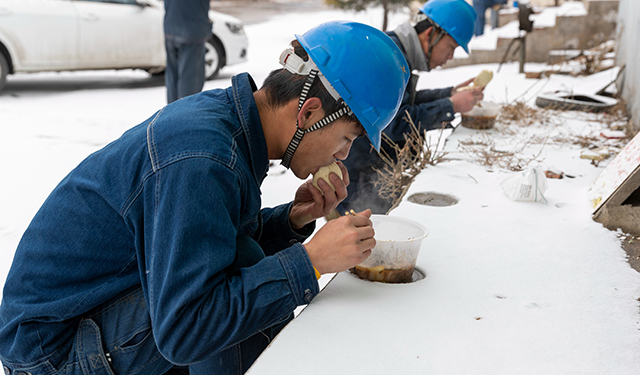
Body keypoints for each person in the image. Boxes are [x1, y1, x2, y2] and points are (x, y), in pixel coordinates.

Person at [0, 21, 409, 375]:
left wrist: (293, 221)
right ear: (309, 113)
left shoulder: (229, 124)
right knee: (236, 284)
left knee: (245, 267)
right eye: (346, 140)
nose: (342, 157)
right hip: (52, 352)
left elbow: (212, 241)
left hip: (88, 316)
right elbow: (186, 328)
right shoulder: (202, 157)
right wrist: (311, 261)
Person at [338, 0, 483, 215]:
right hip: (358, 181)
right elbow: (392, 124)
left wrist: (448, 94)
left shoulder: (396, 51)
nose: (450, 57)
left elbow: (404, 103)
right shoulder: (389, 57)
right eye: (451, 47)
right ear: (431, 33)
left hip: (367, 173)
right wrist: (450, 106)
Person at [163, 0, 211, 103]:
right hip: (191, 32)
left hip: (171, 29)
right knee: (190, 81)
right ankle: (186, 115)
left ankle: (173, 114)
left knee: (173, 78)